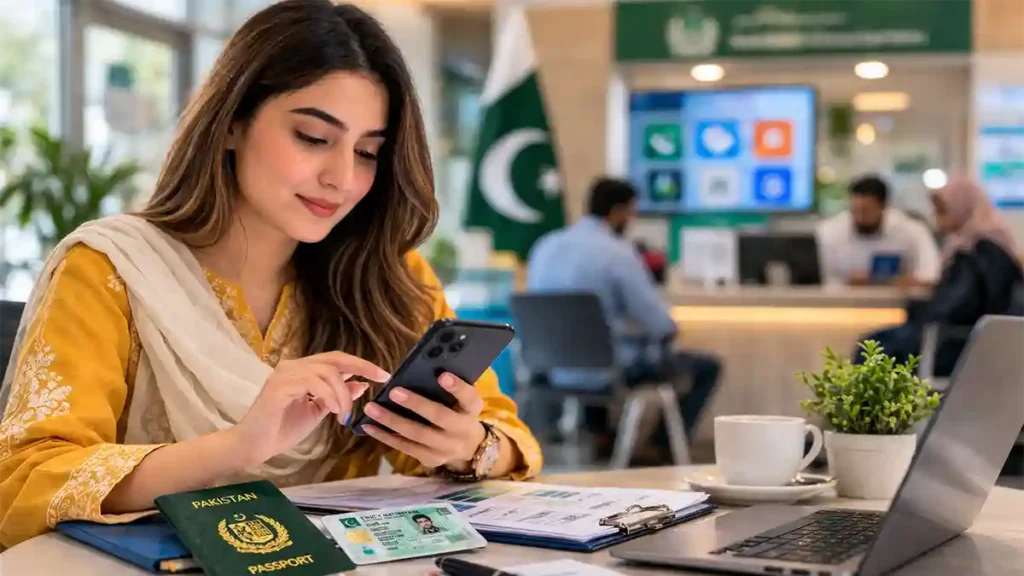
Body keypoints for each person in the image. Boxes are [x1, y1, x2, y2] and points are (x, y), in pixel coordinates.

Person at [0, 0, 540, 547]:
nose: (342, 178)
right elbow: (30, 480)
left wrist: (468, 445)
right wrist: (237, 447)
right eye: (312, 138)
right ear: (232, 122)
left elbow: (512, 440)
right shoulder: (110, 270)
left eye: (369, 152)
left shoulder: (386, 278)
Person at [526, 177, 721, 456]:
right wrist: (666, 328)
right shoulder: (618, 254)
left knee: (595, 349)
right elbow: (659, 324)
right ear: (619, 212)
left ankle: (601, 436)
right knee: (707, 367)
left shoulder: (544, 247)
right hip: (607, 372)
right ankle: (659, 448)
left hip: (550, 370)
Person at [858, 178, 1023, 374]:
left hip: (958, 344)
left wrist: (916, 307)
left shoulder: (980, 251)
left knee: (873, 350)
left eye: (942, 211)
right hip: (957, 339)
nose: (937, 217)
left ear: (962, 208)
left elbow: (955, 307)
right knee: (874, 343)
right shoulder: (973, 245)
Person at [817, 175, 941, 288]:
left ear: (883, 207)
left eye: (866, 211)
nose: (859, 218)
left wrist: (887, 281)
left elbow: (931, 275)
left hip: (895, 304)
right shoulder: (829, 232)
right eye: (855, 211)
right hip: (842, 305)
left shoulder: (912, 231)